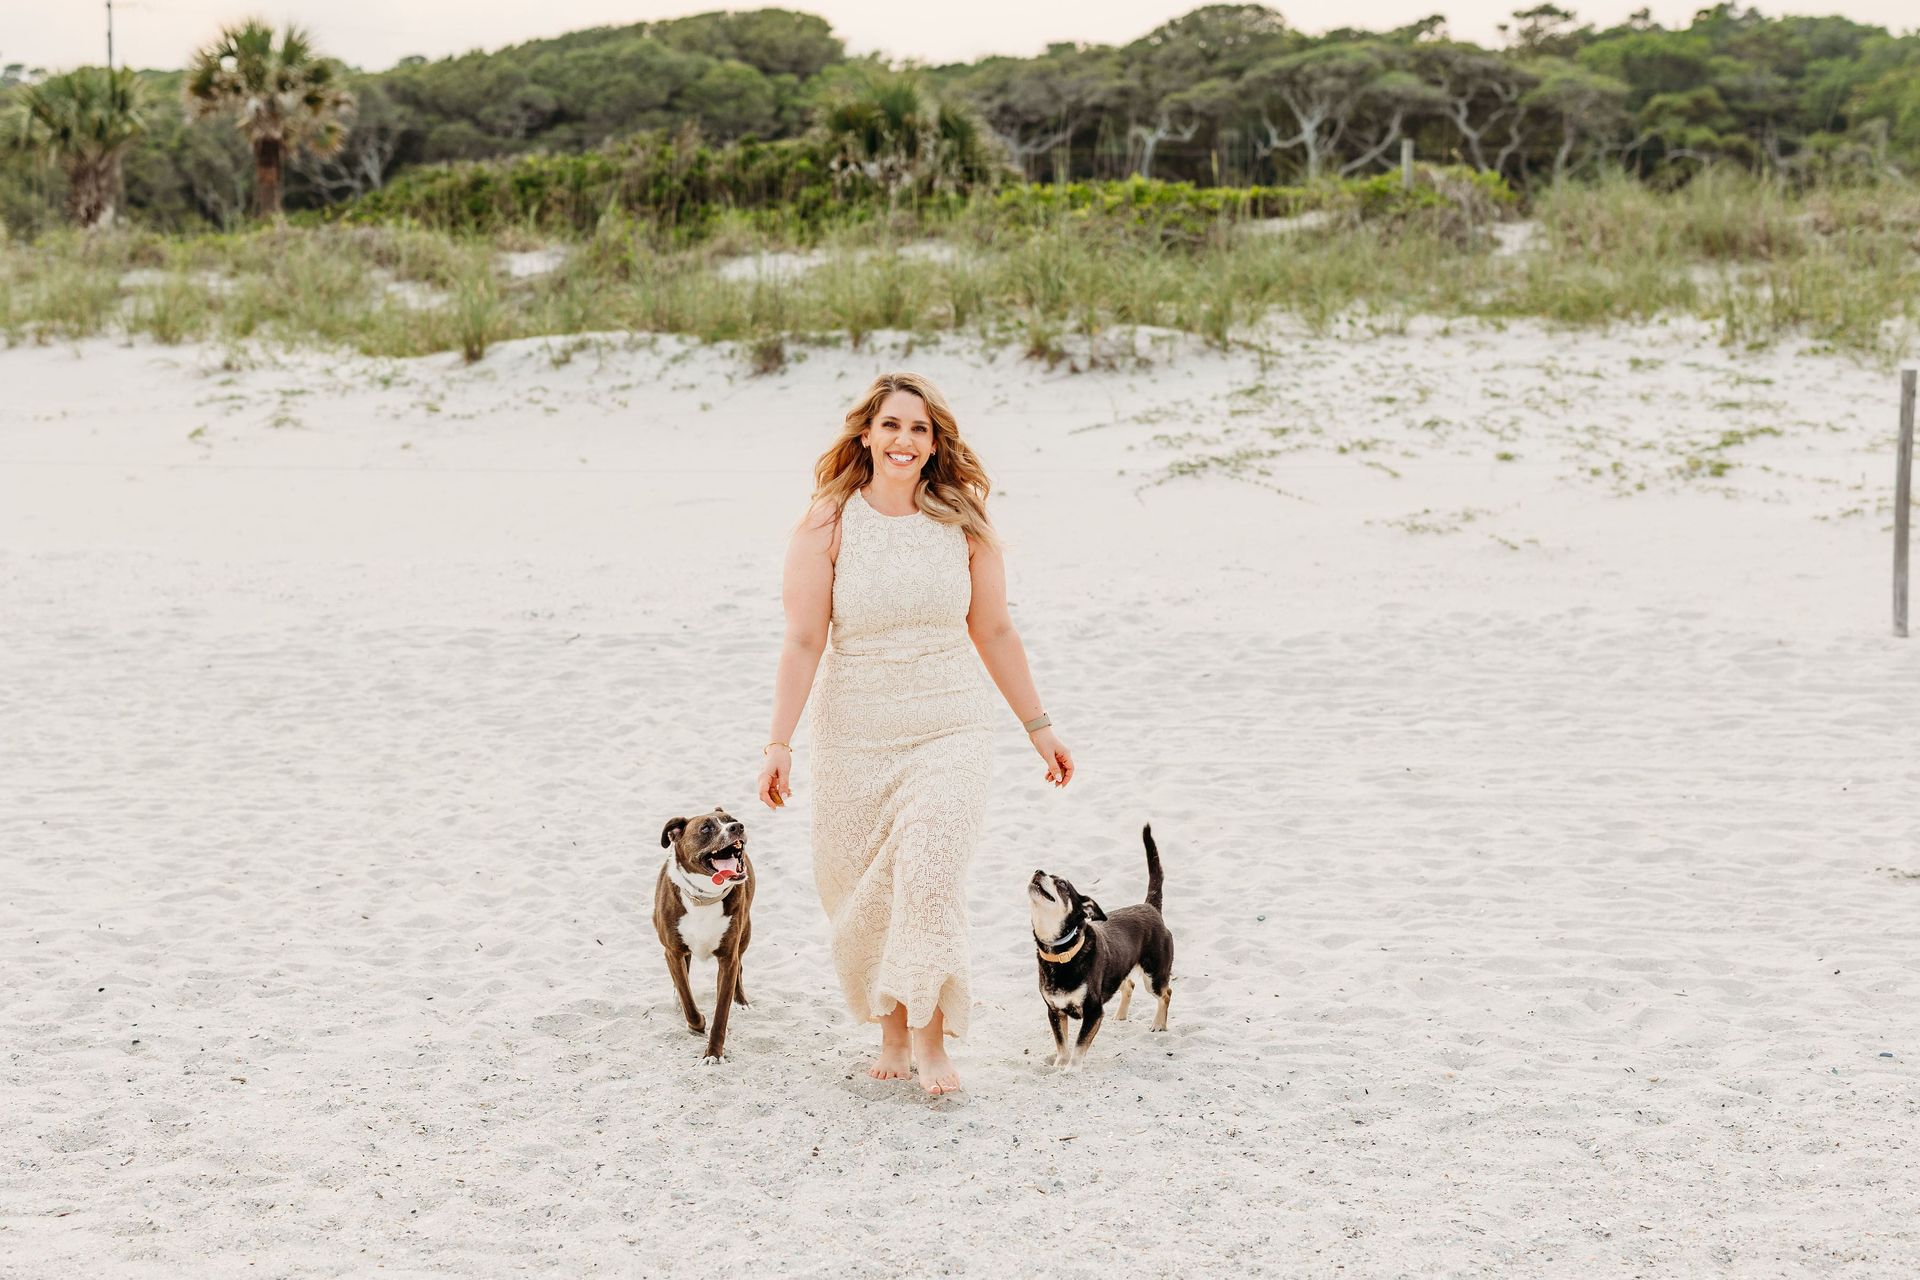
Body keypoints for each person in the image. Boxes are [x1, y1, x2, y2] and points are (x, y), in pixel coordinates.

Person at [755, 371, 1073, 1096]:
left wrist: (1039, 728)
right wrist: (779, 743)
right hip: (856, 728)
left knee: (929, 873)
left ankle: (931, 1040)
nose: (905, 440)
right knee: (864, 886)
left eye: (920, 429)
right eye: (892, 425)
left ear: (935, 445)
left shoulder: (963, 520)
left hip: (950, 722)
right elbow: (803, 641)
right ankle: (891, 1029)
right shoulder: (827, 524)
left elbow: (992, 629)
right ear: (866, 434)